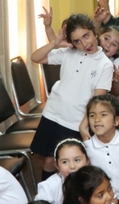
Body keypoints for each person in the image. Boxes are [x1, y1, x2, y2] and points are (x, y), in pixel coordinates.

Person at [30, 14, 113, 181]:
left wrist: (84, 125)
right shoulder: (69, 53)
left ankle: (69, 199)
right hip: (52, 114)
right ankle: (46, 199)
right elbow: (35, 57)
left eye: (86, 36)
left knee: (70, 165)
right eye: (77, 41)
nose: (84, 44)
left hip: (74, 121)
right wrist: (55, 42)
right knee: (48, 161)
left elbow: (96, 102)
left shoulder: (105, 65)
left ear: (94, 30)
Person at [36, 139, 90, 204]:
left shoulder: (97, 180)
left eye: (77, 160)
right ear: (57, 165)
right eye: (65, 162)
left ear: (87, 161)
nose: (72, 166)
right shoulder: (49, 187)